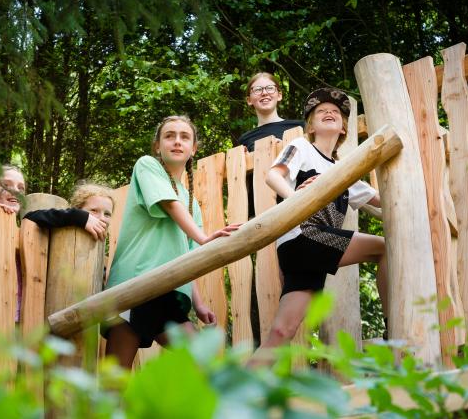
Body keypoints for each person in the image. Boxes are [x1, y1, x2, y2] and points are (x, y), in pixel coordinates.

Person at [250, 88, 386, 366]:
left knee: (283, 330)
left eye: (335, 112)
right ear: (310, 125)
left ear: (343, 129)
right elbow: (273, 175)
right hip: (304, 236)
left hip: (307, 253)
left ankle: (232, 399)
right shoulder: (302, 147)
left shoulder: (344, 170)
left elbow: (383, 203)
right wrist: (297, 198)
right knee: (382, 248)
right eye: (320, 111)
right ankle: (391, 323)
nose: (328, 112)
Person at [103, 115, 239, 369]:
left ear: (193, 149)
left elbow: (188, 256)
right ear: (157, 146)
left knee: (203, 363)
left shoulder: (191, 203)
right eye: (169, 136)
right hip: (134, 287)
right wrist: (205, 238)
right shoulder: (146, 166)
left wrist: (198, 304)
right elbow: (168, 203)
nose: (177, 141)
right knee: (115, 380)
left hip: (168, 294)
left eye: (184, 137)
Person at [0, 165, 108, 324]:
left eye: (21, 187)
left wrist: (78, 218)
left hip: (21, 318)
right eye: (6, 185)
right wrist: (78, 216)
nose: (16, 191)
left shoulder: (25, 228)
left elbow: (40, 218)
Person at [239, 72, 305, 152]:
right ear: (249, 100)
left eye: (270, 88)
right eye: (257, 90)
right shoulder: (245, 139)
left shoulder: (300, 127)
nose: (264, 93)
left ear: (279, 95)